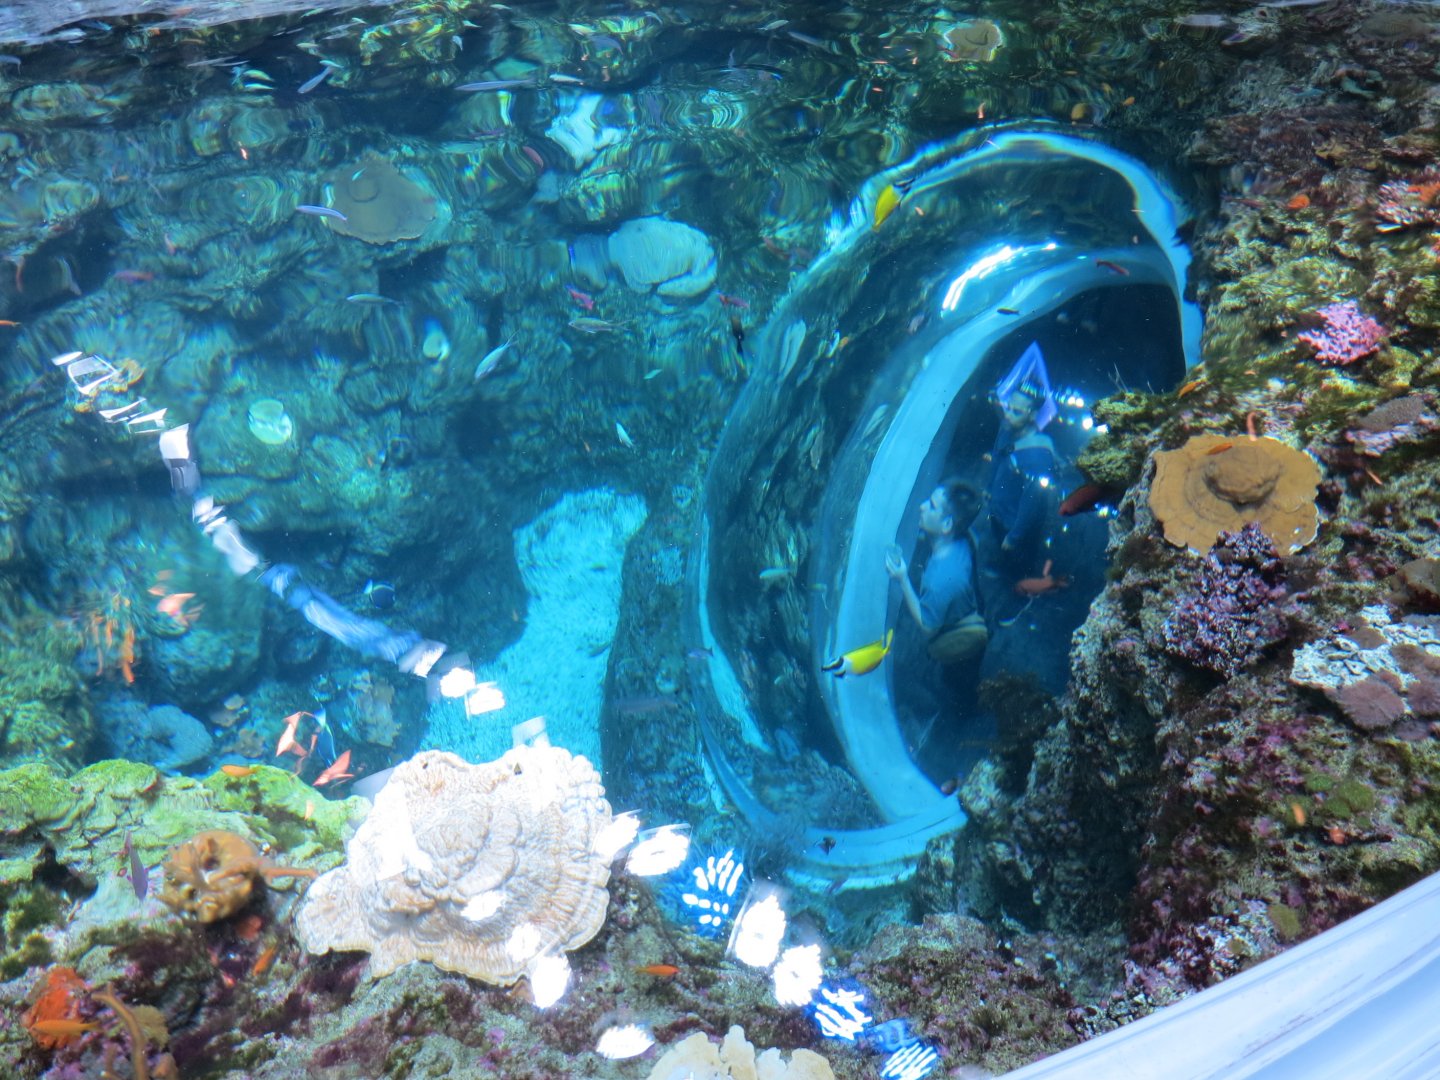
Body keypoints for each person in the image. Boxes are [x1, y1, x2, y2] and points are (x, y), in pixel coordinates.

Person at [885, 478, 987, 667]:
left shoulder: (939, 582)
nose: (922, 507)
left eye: (931, 506)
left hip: (955, 636)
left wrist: (903, 579)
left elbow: (927, 628)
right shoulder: (965, 537)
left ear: (947, 525)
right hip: (967, 605)